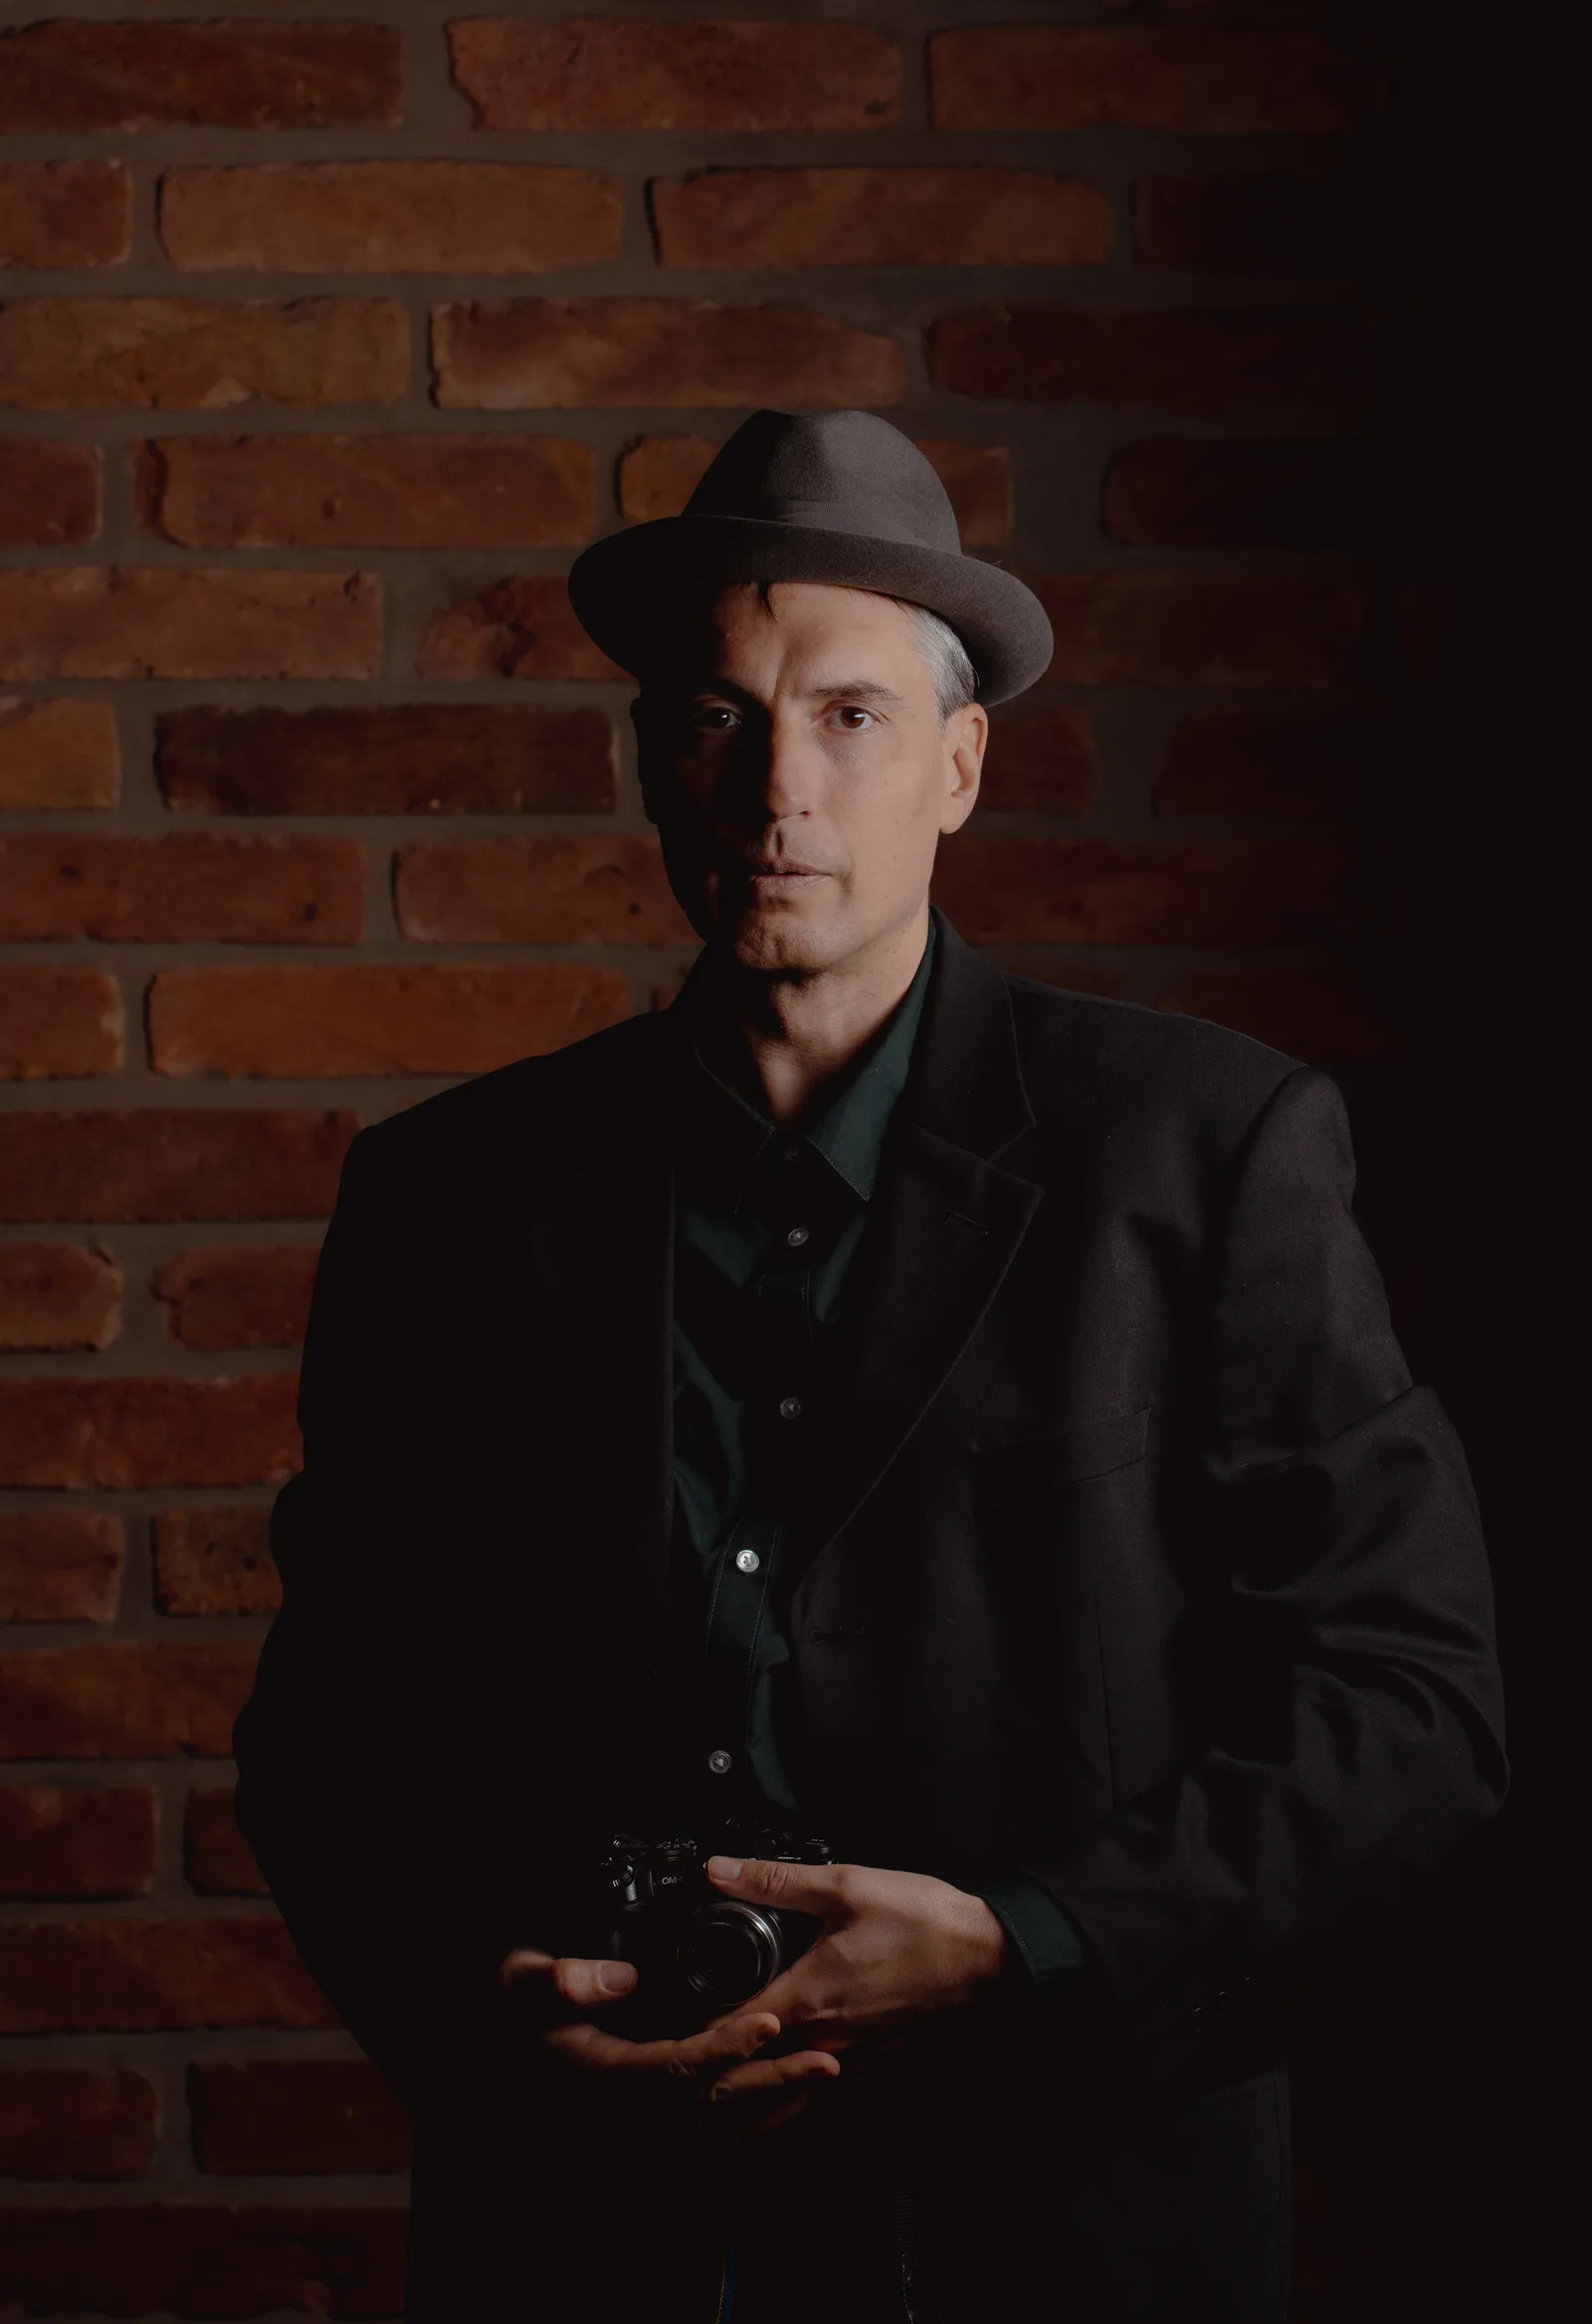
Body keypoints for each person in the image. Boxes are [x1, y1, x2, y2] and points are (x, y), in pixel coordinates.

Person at [233, 411, 1505, 2322]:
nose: (780, 791)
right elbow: (337, 1732)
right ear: (651, 758)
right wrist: (480, 2018)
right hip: (598, 2228)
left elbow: (1412, 1706)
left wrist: (1030, 1941)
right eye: (721, 719)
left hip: (1065, 2220)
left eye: (850, 719)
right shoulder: (451, 1197)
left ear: (959, 767)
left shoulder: (1199, 1148)